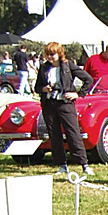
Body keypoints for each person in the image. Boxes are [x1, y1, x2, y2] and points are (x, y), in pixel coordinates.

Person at [34, 42, 94, 175]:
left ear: (59, 53)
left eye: (53, 54)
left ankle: (84, 164)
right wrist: (43, 89)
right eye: (48, 54)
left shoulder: (67, 65)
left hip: (65, 104)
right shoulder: (44, 68)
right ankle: (62, 164)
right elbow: (37, 87)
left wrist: (77, 94)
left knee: (73, 133)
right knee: (54, 134)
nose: (50, 57)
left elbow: (88, 79)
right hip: (49, 104)